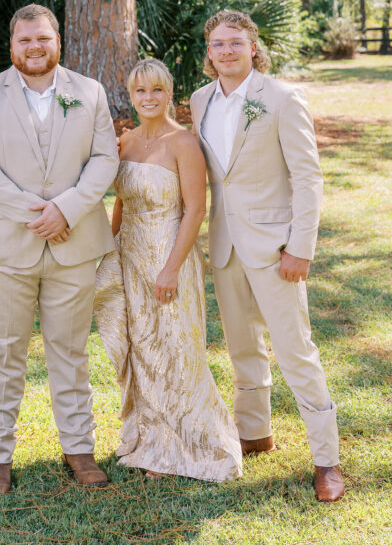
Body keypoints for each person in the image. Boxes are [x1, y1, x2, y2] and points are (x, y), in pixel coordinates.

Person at [0, 3, 119, 497]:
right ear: (12, 45)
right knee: (4, 350)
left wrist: (66, 210)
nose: (34, 47)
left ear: (58, 42)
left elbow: (105, 158)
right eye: (25, 39)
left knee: (70, 351)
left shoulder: (89, 92)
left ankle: (79, 448)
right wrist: (38, 213)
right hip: (6, 247)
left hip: (74, 243)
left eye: (43, 38)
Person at [190, 9, 345, 502]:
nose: (227, 51)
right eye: (218, 43)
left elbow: (308, 177)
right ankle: (254, 432)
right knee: (242, 347)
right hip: (225, 244)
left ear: (253, 47)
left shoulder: (281, 98)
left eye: (236, 42)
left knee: (295, 351)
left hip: (276, 246)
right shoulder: (199, 101)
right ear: (209, 52)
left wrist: (300, 247)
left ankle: (326, 460)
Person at [93, 59, 242, 482]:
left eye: (156, 90)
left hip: (169, 257)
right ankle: (152, 441)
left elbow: (195, 210)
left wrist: (171, 269)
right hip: (130, 257)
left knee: (177, 350)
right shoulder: (126, 141)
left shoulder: (184, 143)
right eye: (140, 91)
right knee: (142, 348)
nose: (148, 98)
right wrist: (107, 249)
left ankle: (192, 444)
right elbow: (121, 201)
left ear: (169, 93)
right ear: (131, 96)